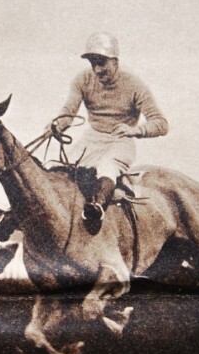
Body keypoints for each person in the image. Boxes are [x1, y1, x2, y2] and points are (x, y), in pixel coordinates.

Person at [52, 32, 169, 232]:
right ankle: (11, 217)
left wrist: (135, 130)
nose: (97, 70)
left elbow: (161, 124)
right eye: (93, 63)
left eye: (102, 63)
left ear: (115, 61)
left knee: (107, 168)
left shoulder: (135, 84)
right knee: (58, 170)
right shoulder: (82, 80)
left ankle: (96, 210)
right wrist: (57, 126)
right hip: (91, 139)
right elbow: (68, 113)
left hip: (120, 141)